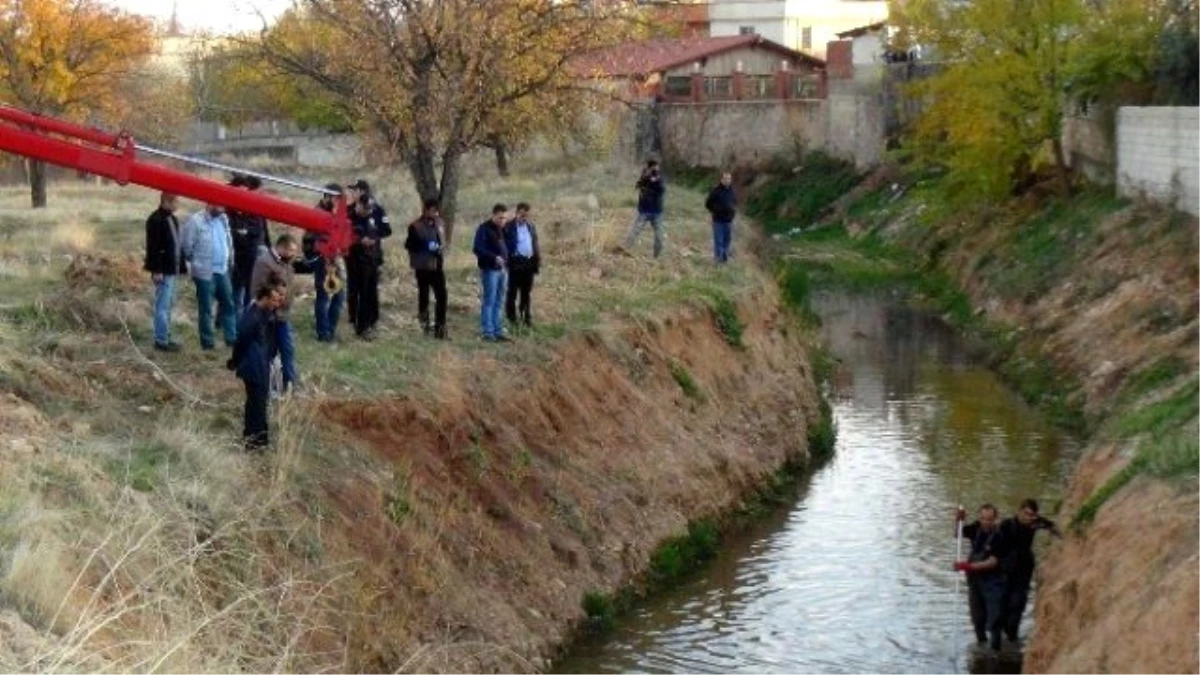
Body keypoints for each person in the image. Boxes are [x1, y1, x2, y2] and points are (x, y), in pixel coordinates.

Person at [227, 275, 287, 451]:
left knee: (259, 402)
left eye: (281, 299)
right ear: (265, 297)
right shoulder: (251, 318)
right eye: (275, 299)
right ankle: (254, 442)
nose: (278, 303)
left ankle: (258, 439)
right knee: (257, 403)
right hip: (253, 366)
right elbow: (241, 342)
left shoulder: (267, 313)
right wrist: (234, 362)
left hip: (262, 363)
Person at [999, 499, 1061, 644]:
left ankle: (1012, 637)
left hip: (1024, 567)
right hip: (1007, 567)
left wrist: (1063, 538)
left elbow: (1052, 527)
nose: (1029, 518)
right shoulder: (1006, 525)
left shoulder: (1035, 522)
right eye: (1026, 514)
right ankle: (1004, 634)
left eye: (1032, 515)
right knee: (1003, 604)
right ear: (1019, 511)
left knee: (1018, 603)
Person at [181, 202, 237, 351]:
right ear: (211, 203)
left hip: (222, 270)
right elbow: (187, 246)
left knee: (229, 304)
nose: (223, 208)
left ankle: (231, 339)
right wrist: (197, 263)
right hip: (205, 272)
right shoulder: (195, 221)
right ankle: (208, 343)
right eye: (220, 205)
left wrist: (229, 259)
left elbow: (228, 242)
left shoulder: (223, 219)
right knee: (206, 308)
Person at [955, 504, 1009, 652]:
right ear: (980, 518)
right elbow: (958, 534)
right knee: (977, 619)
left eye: (990, 519)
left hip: (993, 582)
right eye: (983, 518)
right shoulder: (976, 528)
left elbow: (992, 562)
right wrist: (959, 520)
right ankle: (981, 646)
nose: (986, 522)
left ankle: (995, 652)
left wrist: (967, 567)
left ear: (995, 519)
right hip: (975, 582)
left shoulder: (999, 536)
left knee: (994, 619)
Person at [251, 234, 300, 394]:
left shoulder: (285, 262)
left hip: (283, 315)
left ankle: (290, 385)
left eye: (294, 251)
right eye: (291, 251)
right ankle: (270, 386)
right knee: (269, 352)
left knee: (287, 350)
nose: (293, 254)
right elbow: (257, 290)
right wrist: (270, 304)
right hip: (269, 316)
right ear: (281, 247)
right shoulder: (264, 263)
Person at [345, 179, 391, 340]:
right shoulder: (349, 211)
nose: (352, 193)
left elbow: (386, 230)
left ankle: (368, 322)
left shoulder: (376, 209)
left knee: (369, 291)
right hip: (353, 257)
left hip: (371, 257)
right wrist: (358, 240)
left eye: (355, 190)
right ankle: (355, 319)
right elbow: (343, 232)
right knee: (355, 290)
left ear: (362, 191)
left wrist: (373, 238)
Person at [303, 184, 347, 342]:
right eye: (336, 198)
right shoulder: (318, 214)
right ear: (327, 197)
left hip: (336, 259)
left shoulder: (336, 213)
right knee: (323, 296)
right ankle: (323, 333)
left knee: (339, 296)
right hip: (322, 260)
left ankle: (330, 330)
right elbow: (311, 240)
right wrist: (325, 258)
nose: (338, 202)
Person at [144, 192, 186, 352]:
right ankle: (161, 340)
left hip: (172, 270)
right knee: (162, 305)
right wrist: (156, 270)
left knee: (168, 305)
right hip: (163, 271)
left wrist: (181, 266)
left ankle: (166, 336)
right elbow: (153, 248)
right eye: (176, 201)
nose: (178, 205)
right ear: (167, 201)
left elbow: (176, 245)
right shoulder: (155, 220)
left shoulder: (172, 219)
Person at [404, 198, 449, 340]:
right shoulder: (415, 226)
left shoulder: (440, 223)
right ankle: (424, 327)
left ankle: (440, 329)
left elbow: (443, 240)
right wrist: (424, 246)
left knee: (442, 296)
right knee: (424, 297)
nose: (435, 213)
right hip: (422, 266)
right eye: (432, 210)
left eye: (436, 211)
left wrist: (440, 249)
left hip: (437, 265)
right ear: (425, 210)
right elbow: (409, 245)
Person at [229, 175, 270, 310]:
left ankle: (245, 318)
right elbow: (230, 230)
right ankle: (228, 319)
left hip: (251, 255)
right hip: (235, 256)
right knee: (234, 290)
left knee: (249, 289)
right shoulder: (229, 210)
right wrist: (242, 232)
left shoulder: (254, 209)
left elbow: (259, 230)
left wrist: (247, 232)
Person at [472, 203, 510, 342]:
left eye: (505, 218)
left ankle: (497, 330)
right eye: (500, 218)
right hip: (490, 270)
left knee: (499, 301)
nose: (503, 221)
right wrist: (494, 257)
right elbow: (477, 248)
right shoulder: (483, 229)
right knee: (489, 300)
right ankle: (487, 331)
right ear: (493, 215)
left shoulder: (504, 229)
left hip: (503, 270)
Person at [624, 159, 666, 258]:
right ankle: (624, 249)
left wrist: (656, 180)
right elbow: (637, 186)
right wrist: (646, 177)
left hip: (657, 212)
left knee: (659, 236)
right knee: (634, 231)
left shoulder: (659, 178)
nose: (655, 170)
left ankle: (656, 257)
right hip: (644, 210)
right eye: (653, 168)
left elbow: (662, 190)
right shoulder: (644, 176)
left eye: (656, 168)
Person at [705, 171, 737, 264]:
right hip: (718, 221)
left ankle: (724, 259)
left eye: (729, 179)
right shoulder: (716, 191)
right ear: (721, 179)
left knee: (727, 241)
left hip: (729, 221)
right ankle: (718, 261)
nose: (727, 180)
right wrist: (715, 210)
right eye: (725, 178)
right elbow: (707, 204)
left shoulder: (732, 191)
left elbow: (735, 203)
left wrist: (733, 212)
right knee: (719, 242)